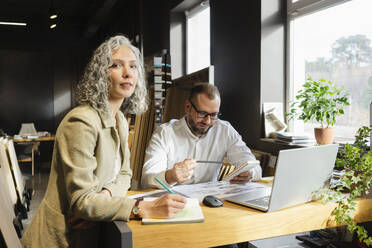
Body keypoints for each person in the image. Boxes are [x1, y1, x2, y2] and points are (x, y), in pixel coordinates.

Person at [21, 35, 186, 248]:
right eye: (116, 65)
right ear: (101, 74)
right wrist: (140, 208)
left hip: (94, 232)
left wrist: (104, 197)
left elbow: (126, 175)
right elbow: (82, 202)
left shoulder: (120, 121)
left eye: (134, 67)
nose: (128, 73)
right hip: (61, 239)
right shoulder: (81, 121)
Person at [141, 84, 262, 189]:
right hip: (173, 201)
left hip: (209, 202)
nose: (208, 121)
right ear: (188, 107)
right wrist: (171, 176)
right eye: (202, 113)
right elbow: (147, 179)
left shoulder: (225, 130)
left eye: (214, 115)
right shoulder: (165, 133)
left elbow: (254, 167)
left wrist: (249, 172)